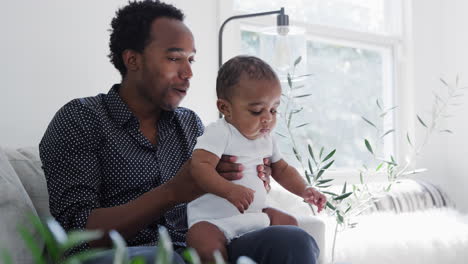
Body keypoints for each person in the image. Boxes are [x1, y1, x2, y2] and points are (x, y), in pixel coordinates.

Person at [39, 1, 321, 263]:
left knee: (292, 240)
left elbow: (214, 201)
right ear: (133, 60)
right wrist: (172, 192)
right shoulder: (81, 119)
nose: (188, 72)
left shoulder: (190, 125)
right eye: (175, 59)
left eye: (191, 60)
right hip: (120, 255)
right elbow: (74, 234)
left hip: (194, 249)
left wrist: (249, 179)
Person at [186, 55, 326, 262]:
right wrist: (229, 190)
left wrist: (305, 189)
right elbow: (199, 166)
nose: (268, 118)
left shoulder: (267, 138)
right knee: (201, 242)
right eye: (257, 110)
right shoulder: (219, 132)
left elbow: (283, 170)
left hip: (255, 213)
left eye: (273, 109)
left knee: (291, 225)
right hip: (215, 220)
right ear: (225, 108)